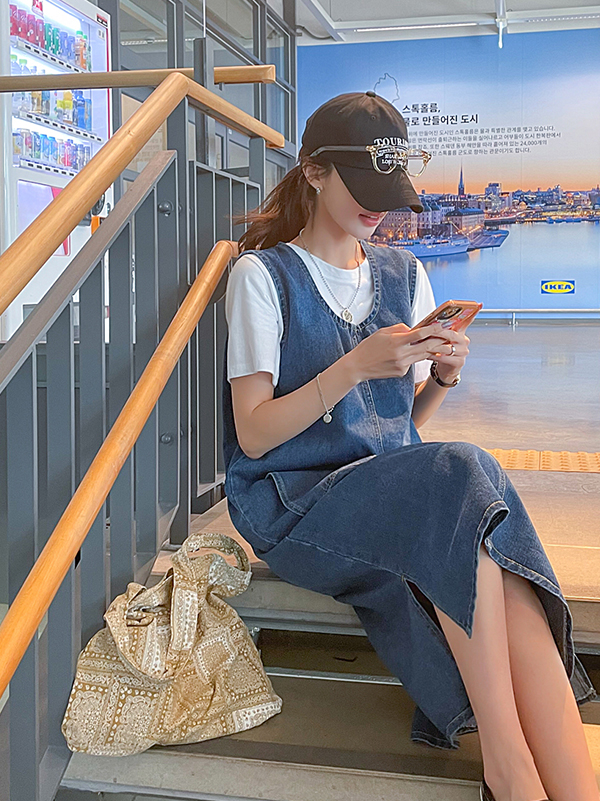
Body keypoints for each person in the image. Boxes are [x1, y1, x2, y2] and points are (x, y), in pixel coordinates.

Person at [221, 91, 598, 801]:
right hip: (293, 503)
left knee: (489, 537)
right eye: (363, 189)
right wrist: (353, 366)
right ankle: (509, 766)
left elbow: (400, 427)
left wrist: (443, 377)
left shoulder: (403, 272)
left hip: (383, 490)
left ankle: (565, 786)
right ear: (313, 172)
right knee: (468, 480)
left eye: (388, 192)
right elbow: (254, 434)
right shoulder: (262, 277)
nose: (379, 209)